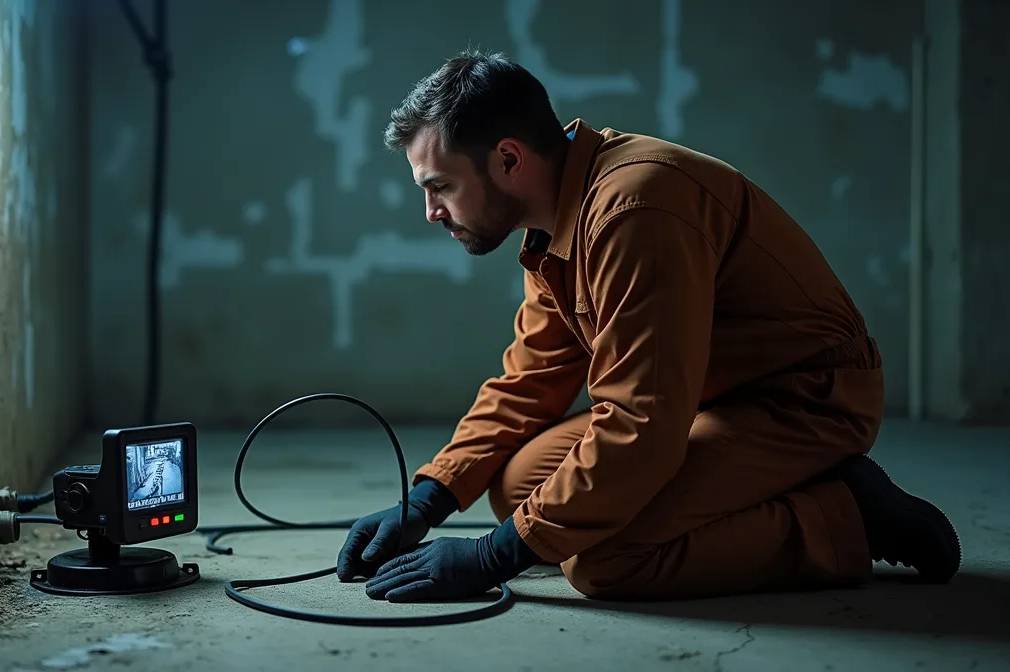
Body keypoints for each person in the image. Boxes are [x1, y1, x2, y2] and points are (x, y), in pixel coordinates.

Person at [335, 49, 961, 603]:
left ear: (507, 159)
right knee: (520, 485)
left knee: (605, 559)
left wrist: (491, 557)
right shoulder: (555, 219)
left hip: (803, 403)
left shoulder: (636, 207)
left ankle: (844, 512)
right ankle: (774, 483)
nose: (429, 212)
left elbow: (642, 422)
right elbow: (532, 378)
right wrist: (428, 499)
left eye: (440, 185)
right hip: (706, 402)